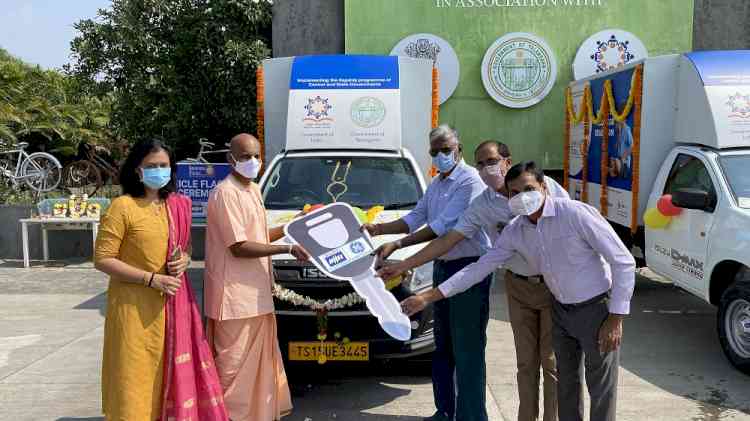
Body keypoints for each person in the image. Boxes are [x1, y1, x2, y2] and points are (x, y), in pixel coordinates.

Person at [402, 161, 636, 421]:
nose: (523, 197)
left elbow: (623, 261)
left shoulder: (575, 214)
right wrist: (427, 296)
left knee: (601, 389)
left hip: (595, 310)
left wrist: (616, 317)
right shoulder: (516, 230)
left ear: (544, 187)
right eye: (515, 192)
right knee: (566, 386)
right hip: (560, 312)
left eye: (529, 188)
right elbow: (480, 268)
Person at [378, 141, 567, 421]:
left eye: (491, 161)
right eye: (481, 164)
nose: (487, 169)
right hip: (517, 284)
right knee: (526, 364)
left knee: (551, 364)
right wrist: (404, 264)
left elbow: (575, 227)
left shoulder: (542, 186)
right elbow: (450, 240)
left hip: (555, 283)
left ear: (507, 161)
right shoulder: (485, 207)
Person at [362, 125, 491, 421]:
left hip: (469, 270)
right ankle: (445, 411)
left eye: (447, 149)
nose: (441, 155)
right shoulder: (437, 183)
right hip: (443, 266)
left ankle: (471, 416)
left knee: (467, 350)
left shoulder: (469, 182)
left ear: (459, 148)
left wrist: (400, 249)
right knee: (443, 345)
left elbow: (441, 228)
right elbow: (416, 217)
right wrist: (381, 230)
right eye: (435, 151)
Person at [95, 139, 228, 421]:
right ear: (137, 170)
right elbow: (103, 259)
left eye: (164, 166)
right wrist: (150, 279)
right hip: (134, 311)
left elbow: (186, 247)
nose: (159, 171)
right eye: (151, 166)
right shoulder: (123, 207)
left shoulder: (179, 204)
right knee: (136, 379)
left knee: (172, 375)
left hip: (174, 306)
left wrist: (185, 260)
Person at [205, 133, 310, 421]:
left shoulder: (252, 190)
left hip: (257, 294)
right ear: (231, 159)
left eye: (256, 155)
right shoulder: (226, 193)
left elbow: (258, 235)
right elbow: (239, 247)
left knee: (257, 366)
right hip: (234, 297)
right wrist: (286, 247)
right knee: (233, 366)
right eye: (245, 156)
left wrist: (293, 226)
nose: (252, 162)